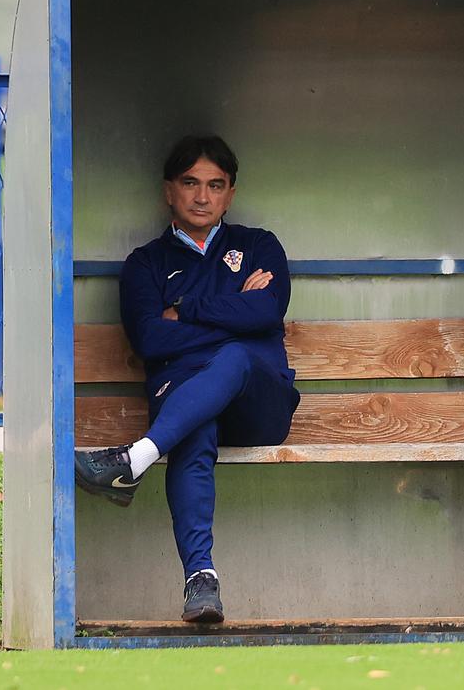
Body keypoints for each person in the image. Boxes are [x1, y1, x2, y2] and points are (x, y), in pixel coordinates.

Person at [73, 134, 300, 624]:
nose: (203, 196)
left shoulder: (259, 246)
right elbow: (152, 340)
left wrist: (186, 311)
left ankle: (135, 459)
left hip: (258, 405)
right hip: (183, 406)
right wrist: (235, 311)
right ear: (168, 191)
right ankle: (202, 579)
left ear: (230, 193)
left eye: (215, 185)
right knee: (196, 423)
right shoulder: (144, 265)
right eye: (190, 183)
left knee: (237, 359)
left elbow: (266, 308)